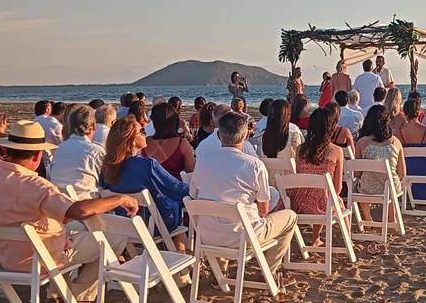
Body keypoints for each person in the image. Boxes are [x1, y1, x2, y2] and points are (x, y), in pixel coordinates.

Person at [0, 120, 134, 303]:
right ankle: (77, 296)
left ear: (6, 149)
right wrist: (120, 199)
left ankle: (58, 294)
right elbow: (79, 210)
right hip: (43, 260)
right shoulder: (36, 186)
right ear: (37, 155)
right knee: (115, 239)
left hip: (1, 257)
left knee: (70, 230)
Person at [189, 112, 299, 277]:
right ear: (246, 135)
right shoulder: (254, 165)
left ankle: (220, 275)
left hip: (208, 235)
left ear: (219, 135)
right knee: (290, 216)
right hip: (243, 237)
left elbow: (194, 195)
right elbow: (263, 210)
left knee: (221, 210)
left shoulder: (203, 161)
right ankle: (269, 272)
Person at [100, 118, 189, 252]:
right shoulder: (147, 165)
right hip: (154, 225)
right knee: (180, 205)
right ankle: (181, 257)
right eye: (141, 131)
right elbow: (177, 188)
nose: (145, 133)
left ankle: (181, 257)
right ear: (132, 139)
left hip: (124, 224)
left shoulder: (107, 168)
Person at [292, 107, 346, 246]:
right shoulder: (336, 151)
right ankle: (348, 240)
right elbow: (338, 188)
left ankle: (316, 238)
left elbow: (299, 178)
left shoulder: (300, 150)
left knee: (318, 194)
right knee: (337, 201)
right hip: (322, 205)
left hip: (298, 203)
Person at [355, 106, 405, 238]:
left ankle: (367, 219)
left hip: (368, 188)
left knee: (362, 184)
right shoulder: (396, 142)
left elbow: (357, 173)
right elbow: (402, 172)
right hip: (390, 188)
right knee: (391, 182)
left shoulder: (362, 142)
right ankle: (391, 218)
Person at [49, 104, 106, 199]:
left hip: (59, 201)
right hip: (86, 204)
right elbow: (108, 179)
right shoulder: (95, 150)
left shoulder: (59, 148)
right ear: (92, 127)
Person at [143, 102, 196, 181]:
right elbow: (191, 171)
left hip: (149, 190)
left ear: (154, 122)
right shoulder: (181, 143)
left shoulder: (145, 142)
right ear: (174, 121)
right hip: (175, 190)